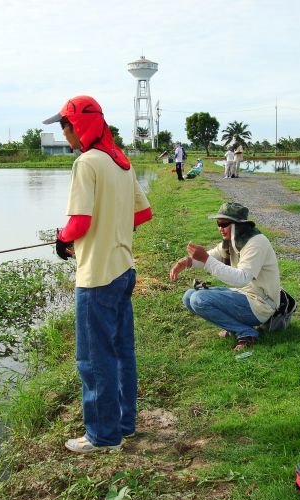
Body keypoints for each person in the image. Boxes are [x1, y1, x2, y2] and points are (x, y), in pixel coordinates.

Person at [43, 95, 152, 453]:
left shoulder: (86, 164)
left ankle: (103, 437)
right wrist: (109, 229)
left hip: (96, 277)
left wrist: (61, 240)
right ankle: (124, 424)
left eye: (64, 126)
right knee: (121, 352)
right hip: (123, 269)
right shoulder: (121, 162)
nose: (64, 134)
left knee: (93, 358)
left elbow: (79, 222)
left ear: (79, 126)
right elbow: (141, 214)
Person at [169, 202, 280, 352]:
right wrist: (187, 262)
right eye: (218, 224)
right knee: (188, 296)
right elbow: (211, 256)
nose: (220, 228)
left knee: (199, 299)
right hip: (244, 296)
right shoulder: (234, 241)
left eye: (224, 224)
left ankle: (246, 333)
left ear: (238, 225)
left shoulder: (256, 243)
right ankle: (237, 328)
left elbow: (242, 278)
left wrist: (206, 260)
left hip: (261, 304)